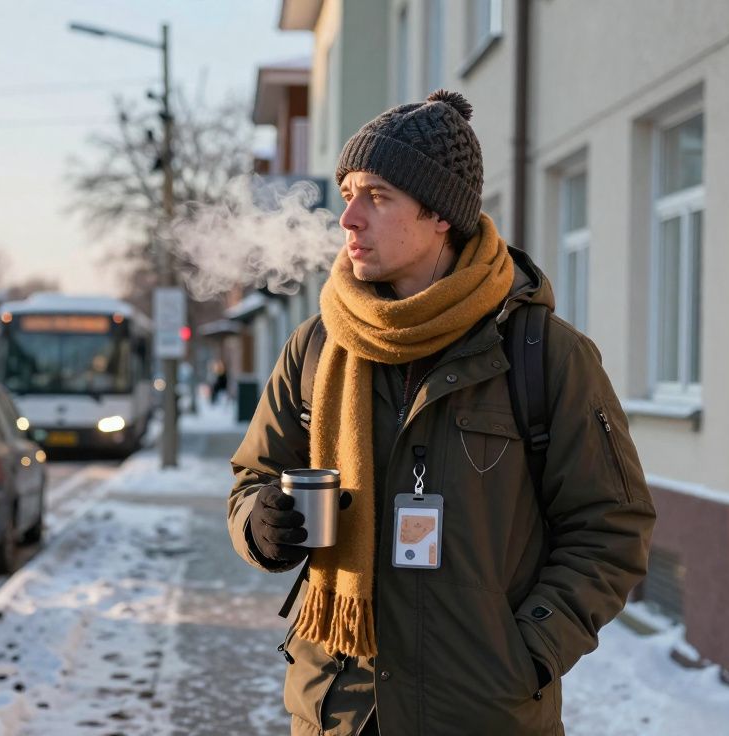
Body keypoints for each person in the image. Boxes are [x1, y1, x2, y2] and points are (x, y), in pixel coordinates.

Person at [227, 90, 655, 736]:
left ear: (440, 217)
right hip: (340, 713)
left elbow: (612, 527)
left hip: (481, 714)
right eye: (347, 193)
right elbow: (252, 478)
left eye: (376, 196)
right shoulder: (317, 347)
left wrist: (529, 653)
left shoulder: (543, 355)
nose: (349, 218)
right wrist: (260, 524)